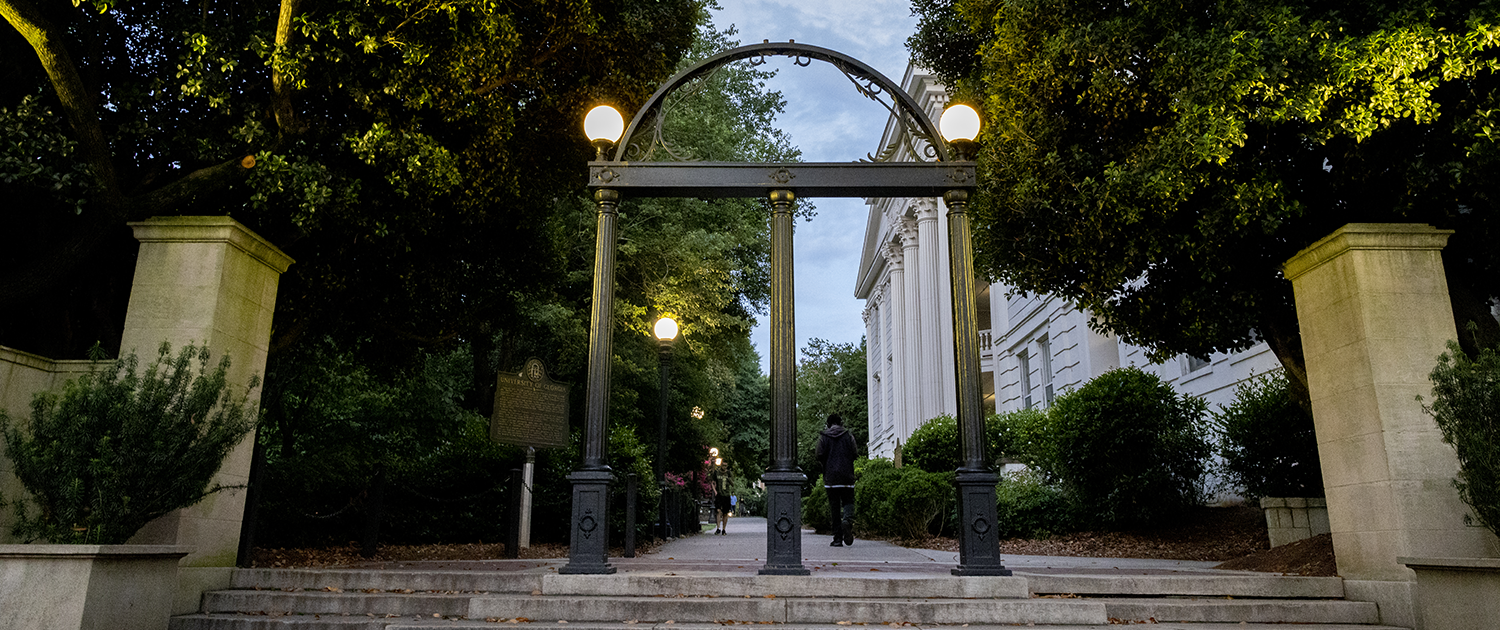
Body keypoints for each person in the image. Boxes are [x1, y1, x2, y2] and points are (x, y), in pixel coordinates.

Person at [816, 413, 857, 547]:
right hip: (847, 476)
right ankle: (847, 520)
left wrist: (827, 465)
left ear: (828, 424)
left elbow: (819, 455)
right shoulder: (848, 435)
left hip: (831, 478)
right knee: (848, 502)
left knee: (834, 508)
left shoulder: (824, 437)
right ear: (840, 423)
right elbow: (855, 453)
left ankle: (837, 538)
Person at [711, 466, 732, 535]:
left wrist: (729, 479)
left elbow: (732, 483)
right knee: (718, 510)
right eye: (723, 464)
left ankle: (724, 529)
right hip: (719, 494)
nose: (724, 466)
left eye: (725, 465)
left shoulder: (729, 473)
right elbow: (712, 482)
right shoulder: (717, 472)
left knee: (725, 513)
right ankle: (718, 528)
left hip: (726, 495)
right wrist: (715, 491)